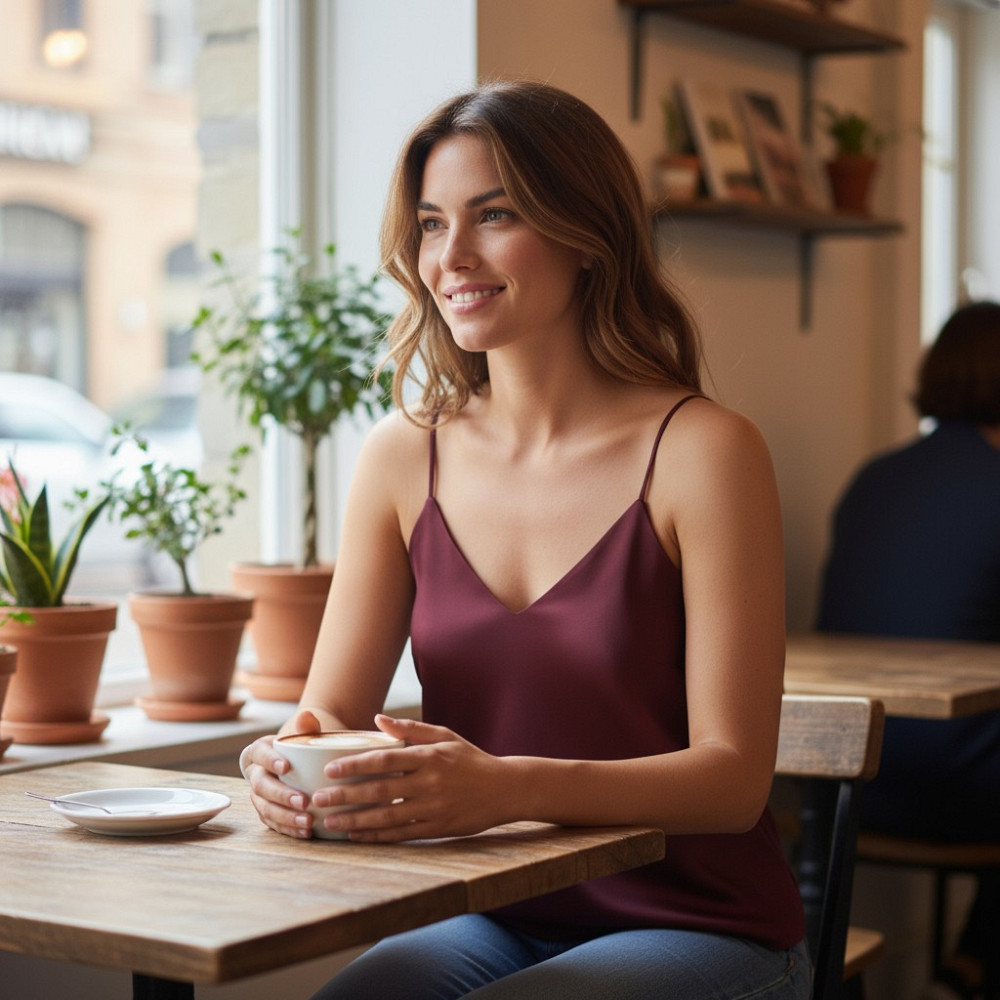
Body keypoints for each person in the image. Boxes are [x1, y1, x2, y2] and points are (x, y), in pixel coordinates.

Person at [239, 80, 809, 1000]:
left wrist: (504, 788)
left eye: (493, 215)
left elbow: (733, 781)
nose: (450, 256)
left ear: (586, 234)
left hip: (703, 929)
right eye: (430, 224)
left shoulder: (705, 452)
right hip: (491, 912)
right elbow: (327, 718)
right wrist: (278, 766)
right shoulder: (401, 459)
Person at [817, 300, 1000, 1000]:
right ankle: (971, 969)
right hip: (959, 786)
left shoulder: (875, 477)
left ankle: (969, 968)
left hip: (848, 782)